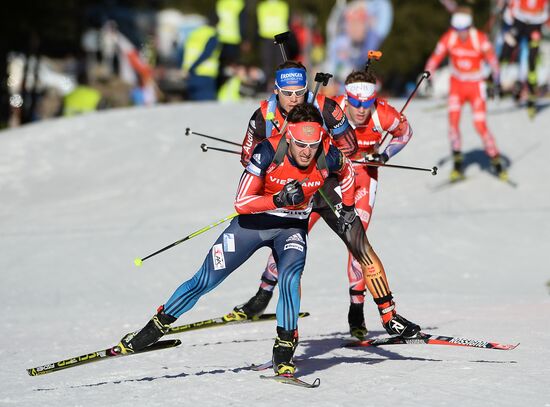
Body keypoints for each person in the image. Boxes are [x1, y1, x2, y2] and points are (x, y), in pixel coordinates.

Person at [115, 103, 357, 376]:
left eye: (313, 145)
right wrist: (277, 199)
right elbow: (242, 202)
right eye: (301, 143)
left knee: (290, 279)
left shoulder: (328, 154)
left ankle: (284, 348)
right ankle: (154, 328)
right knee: (205, 280)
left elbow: (349, 174)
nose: (307, 151)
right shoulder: (267, 151)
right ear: (289, 136)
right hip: (251, 225)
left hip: (292, 228)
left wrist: (348, 208)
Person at [234, 61, 421, 340]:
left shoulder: (328, 108)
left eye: (299, 92)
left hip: (332, 185)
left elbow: (349, 147)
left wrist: (328, 146)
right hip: (295, 191)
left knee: (360, 245)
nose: (294, 98)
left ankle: (388, 315)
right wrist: (276, 156)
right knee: (289, 256)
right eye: (288, 93)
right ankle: (275, 313)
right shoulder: (263, 115)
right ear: (277, 91)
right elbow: (247, 158)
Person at [425, 6, 508, 182]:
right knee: (453, 125)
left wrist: (496, 81)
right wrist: (427, 75)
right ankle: (457, 165)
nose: (461, 34)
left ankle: (496, 161)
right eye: (457, 30)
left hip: (476, 86)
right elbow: (435, 57)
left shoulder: (480, 39)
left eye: (464, 30)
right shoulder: (449, 37)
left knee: (480, 125)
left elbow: (493, 62)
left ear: (469, 27)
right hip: (457, 86)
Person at [499, 0, 549, 118]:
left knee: (532, 61)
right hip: (520, 20)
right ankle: (495, 80)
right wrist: (507, 10)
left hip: (536, 23)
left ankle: (532, 96)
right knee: (507, 49)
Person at [182, 19, 221, 101]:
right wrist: (192, 67)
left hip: (190, 77)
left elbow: (182, 53)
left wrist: (186, 69)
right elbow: (207, 53)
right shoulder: (212, 35)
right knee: (206, 108)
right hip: (205, 76)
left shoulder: (193, 34)